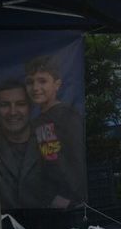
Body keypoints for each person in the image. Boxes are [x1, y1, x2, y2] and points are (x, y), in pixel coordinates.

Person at [25, 54, 86, 209]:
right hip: (42, 202)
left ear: (57, 84)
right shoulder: (37, 121)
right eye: (30, 82)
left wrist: (69, 197)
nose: (35, 88)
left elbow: (78, 159)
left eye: (42, 81)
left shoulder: (67, 116)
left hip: (66, 204)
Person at [0, 80, 44, 209]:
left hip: (52, 225)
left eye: (20, 104)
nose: (13, 112)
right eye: (4, 105)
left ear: (30, 107)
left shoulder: (50, 140)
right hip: (1, 226)